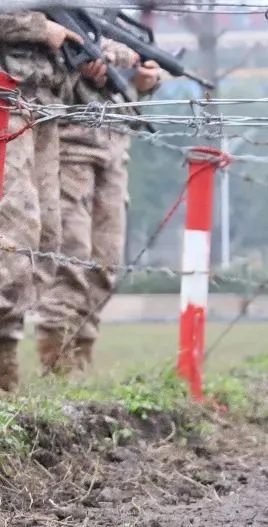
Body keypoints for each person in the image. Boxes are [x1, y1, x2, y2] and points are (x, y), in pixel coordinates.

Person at [36, 37, 163, 374]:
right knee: (70, 256)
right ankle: (57, 363)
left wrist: (144, 75)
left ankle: (81, 354)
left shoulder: (111, 12)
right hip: (67, 140)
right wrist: (98, 57)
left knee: (107, 261)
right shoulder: (51, 11)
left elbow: (132, 64)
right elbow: (35, 52)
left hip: (114, 143)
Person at [0, 10, 102, 392]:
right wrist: (40, 28)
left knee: (45, 240)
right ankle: (4, 368)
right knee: (13, 238)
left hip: (42, 108)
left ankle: (9, 364)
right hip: (6, 99)